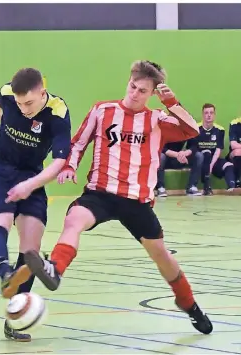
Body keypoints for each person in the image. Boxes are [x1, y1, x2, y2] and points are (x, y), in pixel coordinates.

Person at [24, 60, 213, 335]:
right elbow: (78, 142)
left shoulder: (157, 119)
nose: (134, 93)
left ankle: (189, 305)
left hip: (136, 201)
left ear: (152, 94)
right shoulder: (103, 110)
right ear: (129, 82)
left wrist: (171, 102)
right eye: (133, 86)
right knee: (74, 219)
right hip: (100, 193)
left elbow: (192, 130)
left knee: (161, 256)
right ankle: (55, 269)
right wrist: (69, 166)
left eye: (142, 91)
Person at [0, 68, 71, 341]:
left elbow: (58, 163)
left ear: (42, 92)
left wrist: (29, 186)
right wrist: (6, 120)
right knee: (1, 221)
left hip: (32, 176)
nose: (23, 109)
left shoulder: (58, 112)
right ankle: (5, 273)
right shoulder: (7, 94)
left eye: (29, 103)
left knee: (31, 249)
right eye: (19, 104)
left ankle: (16, 317)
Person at [187, 104, 236, 195]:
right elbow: (192, 148)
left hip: (213, 160)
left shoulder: (220, 130)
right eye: (206, 113)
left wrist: (211, 165)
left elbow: (218, 149)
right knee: (206, 153)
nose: (209, 115)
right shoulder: (196, 128)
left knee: (228, 165)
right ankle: (206, 187)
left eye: (211, 113)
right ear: (203, 115)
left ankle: (232, 188)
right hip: (199, 161)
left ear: (214, 115)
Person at [227, 116, 241, 187]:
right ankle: (237, 181)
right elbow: (233, 145)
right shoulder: (235, 124)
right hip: (233, 155)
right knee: (238, 152)